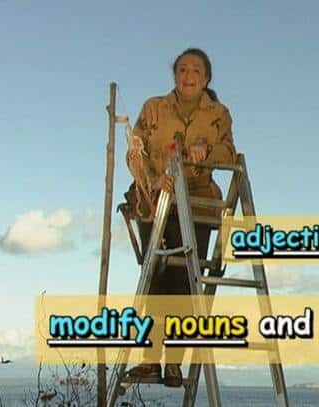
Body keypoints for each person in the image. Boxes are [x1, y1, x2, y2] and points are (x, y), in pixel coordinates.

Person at [124, 48, 237, 386]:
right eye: (183, 69)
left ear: (206, 78)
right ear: (175, 74)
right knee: (155, 278)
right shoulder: (154, 108)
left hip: (197, 203)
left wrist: (207, 151)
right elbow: (135, 152)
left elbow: (229, 152)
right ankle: (150, 361)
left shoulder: (218, 114)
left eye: (196, 71)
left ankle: (174, 362)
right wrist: (152, 179)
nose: (188, 76)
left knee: (185, 282)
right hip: (156, 200)